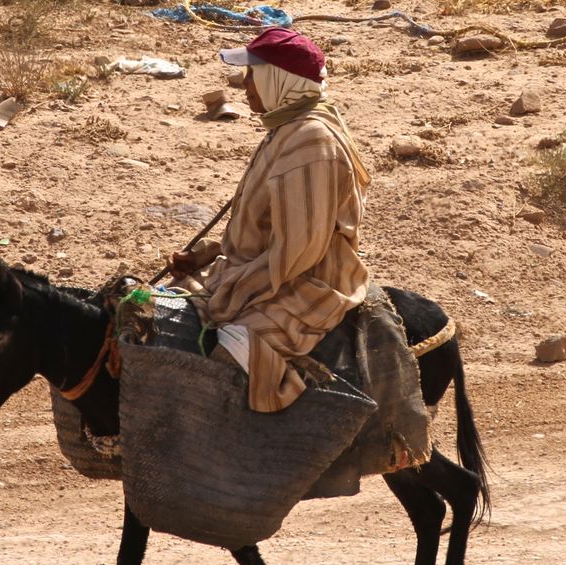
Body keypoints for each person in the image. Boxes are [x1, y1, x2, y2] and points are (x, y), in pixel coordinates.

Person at [169, 27, 431, 467]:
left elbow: (302, 249)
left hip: (309, 281)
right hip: (271, 267)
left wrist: (234, 289)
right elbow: (265, 226)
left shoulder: (311, 140)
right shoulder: (285, 128)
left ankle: (279, 462)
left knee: (230, 354)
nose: (245, 86)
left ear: (278, 80)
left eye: (253, 76)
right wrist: (211, 253)